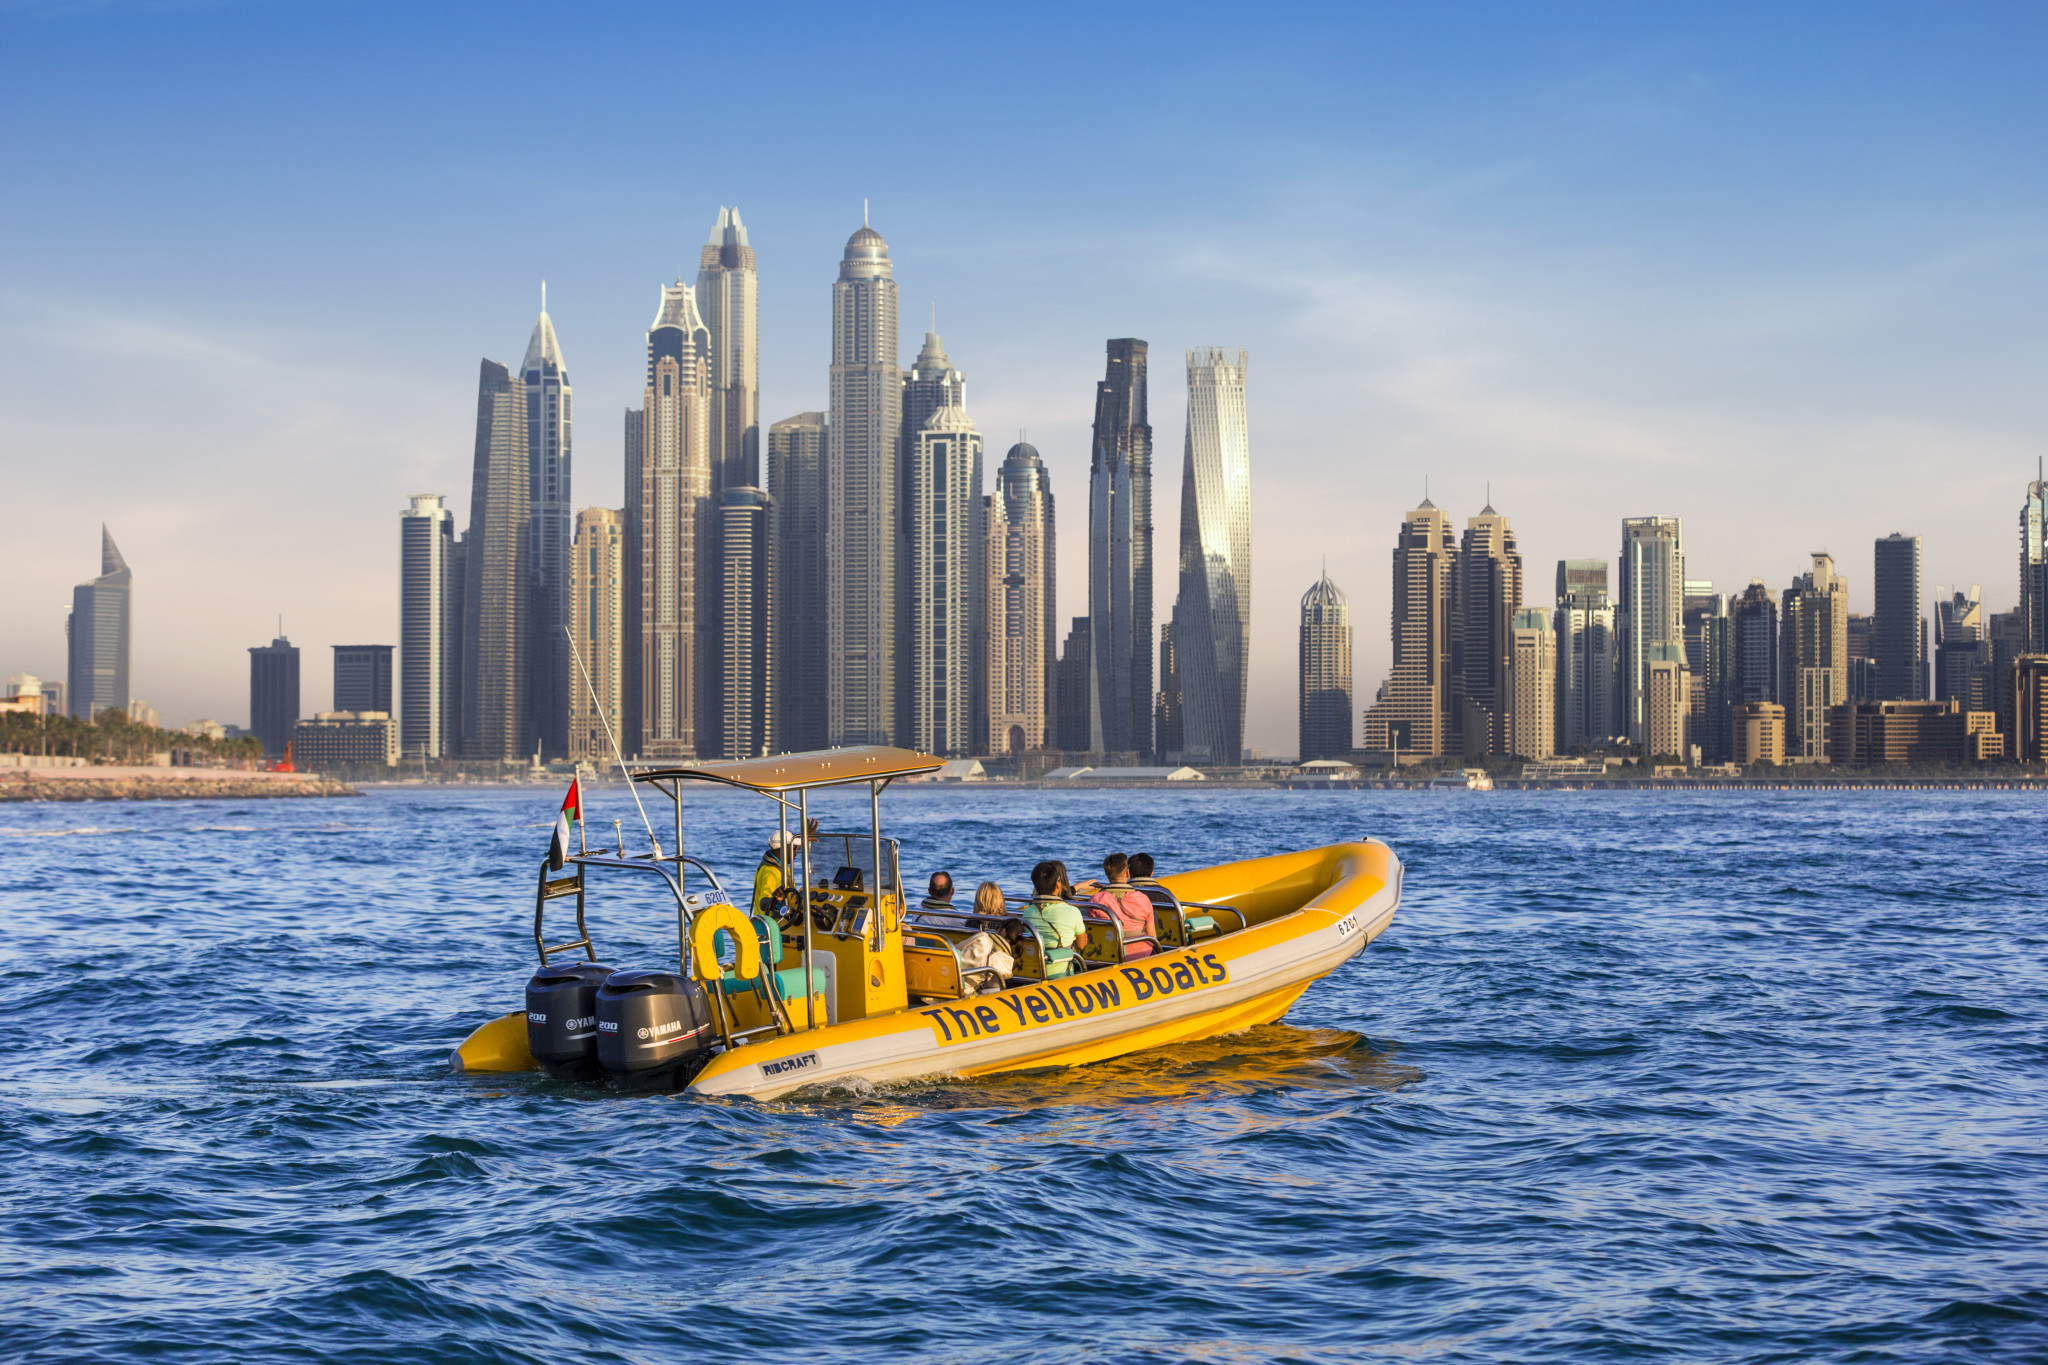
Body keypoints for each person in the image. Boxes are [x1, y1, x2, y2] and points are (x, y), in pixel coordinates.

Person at [1020, 860, 1087, 978]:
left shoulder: (1028, 912)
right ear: (1058, 885)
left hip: (1036, 971)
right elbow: (1081, 945)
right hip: (1061, 973)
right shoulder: (1072, 911)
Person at [1086, 853, 1157, 959]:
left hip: (1109, 954)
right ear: (1128, 873)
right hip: (1142, 953)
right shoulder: (1142, 899)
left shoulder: (1096, 900)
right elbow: (1152, 937)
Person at [753, 819, 820, 918]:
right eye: (794, 848)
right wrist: (775, 899)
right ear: (783, 850)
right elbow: (763, 904)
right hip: (773, 927)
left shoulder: (777, 864)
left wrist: (805, 838)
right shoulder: (771, 872)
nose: (797, 851)